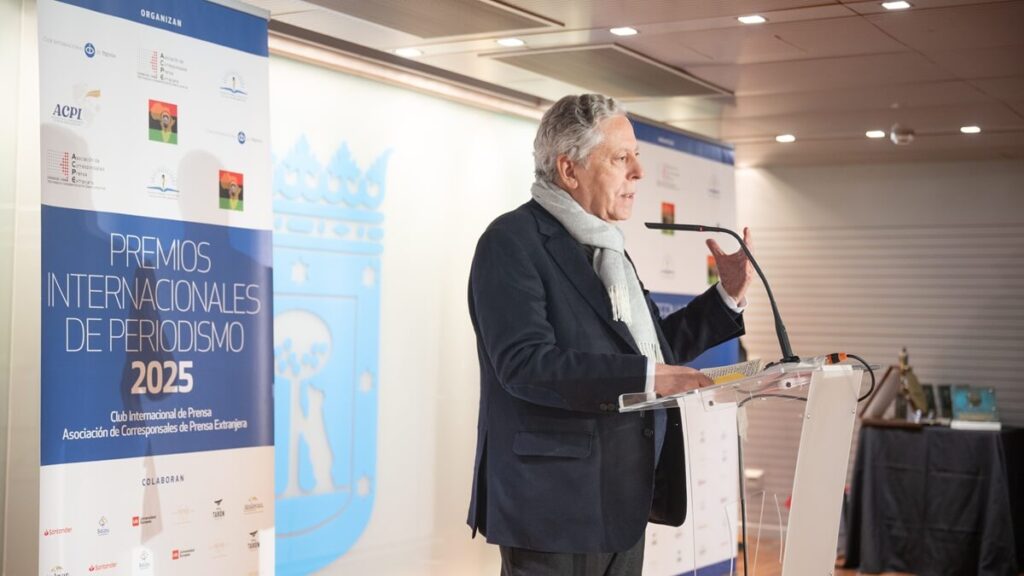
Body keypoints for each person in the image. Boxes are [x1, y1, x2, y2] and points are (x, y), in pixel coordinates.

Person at [466, 93, 754, 575]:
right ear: (568, 169)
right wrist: (649, 377)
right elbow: (525, 364)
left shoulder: (606, 249)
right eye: (622, 158)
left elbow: (650, 350)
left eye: (636, 157)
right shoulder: (511, 241)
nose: (638, 172)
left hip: (619, 500)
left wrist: (724, 297)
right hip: (553, 507)